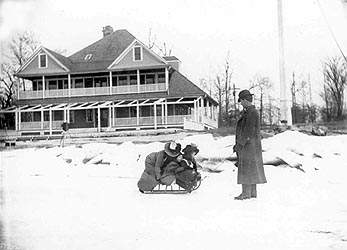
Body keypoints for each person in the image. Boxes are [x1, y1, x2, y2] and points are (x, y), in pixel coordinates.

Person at [233, 89, 267, 200]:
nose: (241, 103)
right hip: (251, 146)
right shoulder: (250, 112)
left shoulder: (251, 113)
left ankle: (246, 193)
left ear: (245, 100)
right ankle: (252, 193)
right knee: (251, 168)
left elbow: (248, 131)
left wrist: (240, 144)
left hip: (248, 146)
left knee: (247, 169)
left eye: (241, 101)